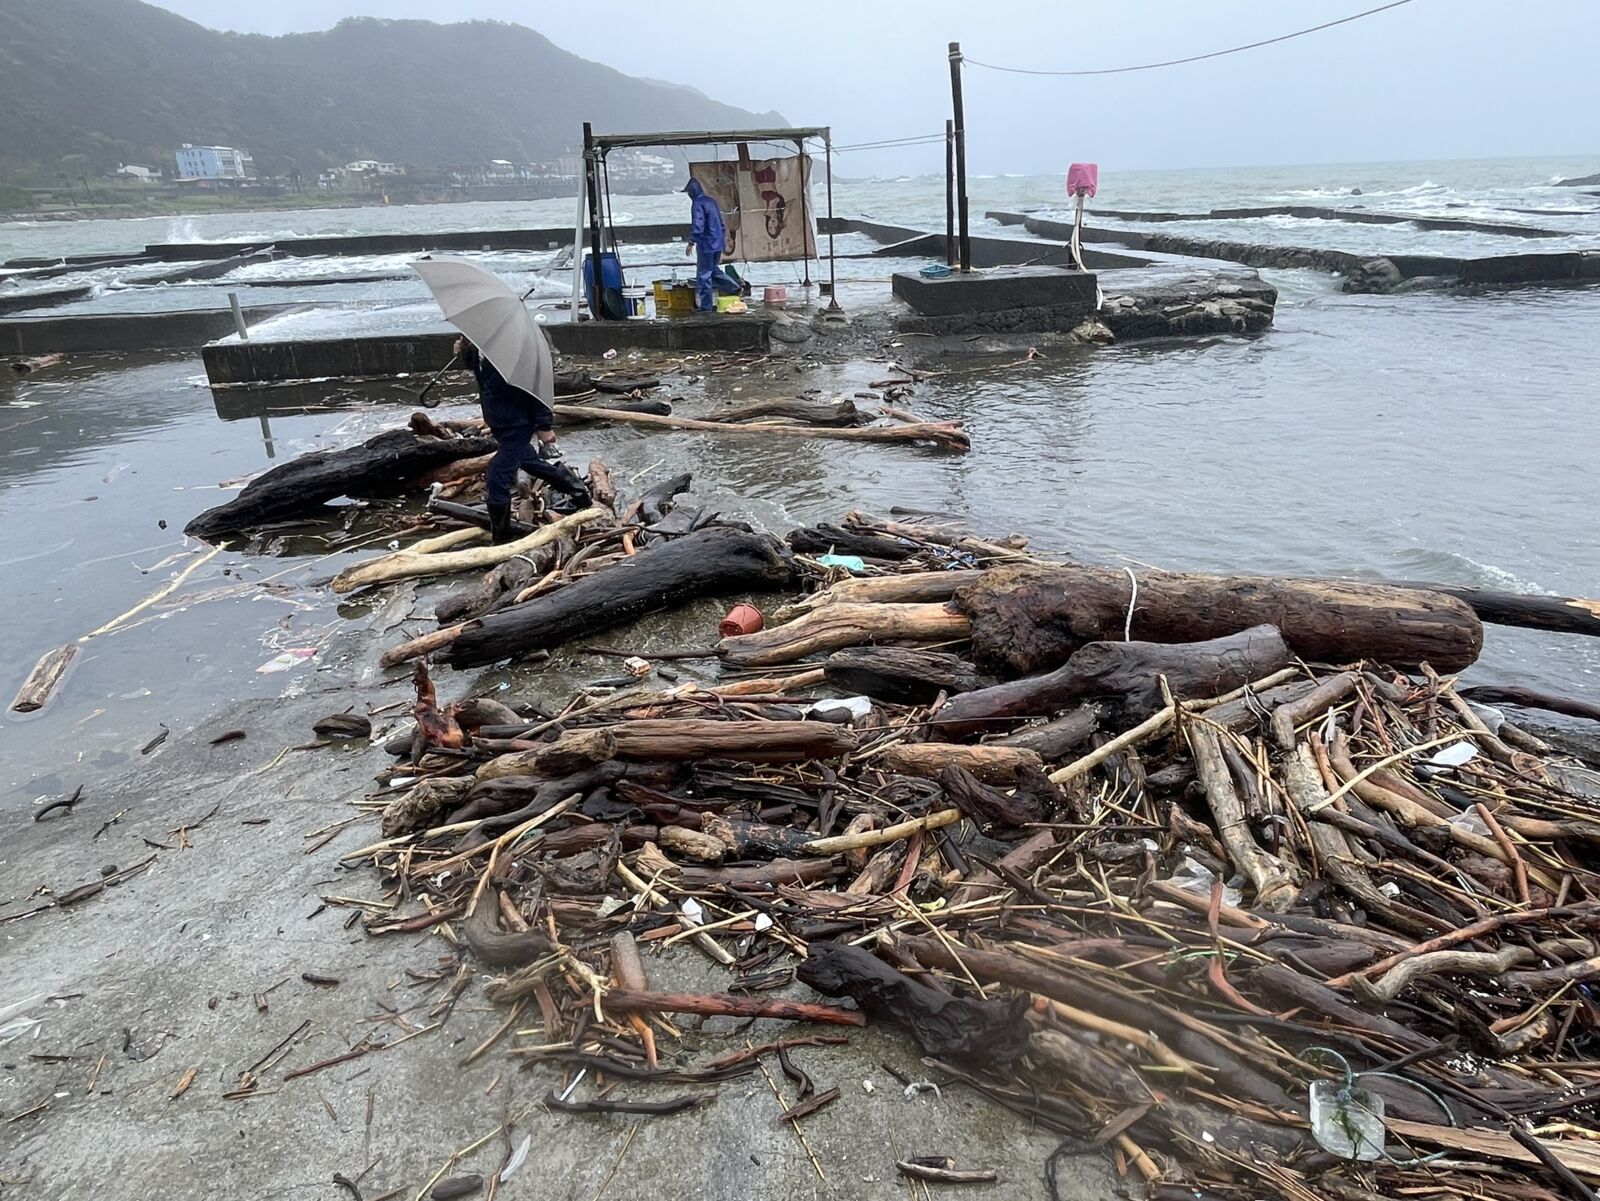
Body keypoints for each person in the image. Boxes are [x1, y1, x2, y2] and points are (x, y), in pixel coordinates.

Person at [456, 336, 589, 543]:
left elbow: (537, 390)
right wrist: (465, 351)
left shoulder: (512, 352)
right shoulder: (479, 348)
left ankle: (501, 538)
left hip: (518, 423)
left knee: (497, 476)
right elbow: (480, 372)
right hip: (499, 422)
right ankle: (579, 492)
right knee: (532, 463)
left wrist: (544, 427)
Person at [682, 178, 743, 311]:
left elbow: (698, 225)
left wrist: (691, 242)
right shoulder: (711, 201)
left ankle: (706, 307)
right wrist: (721, 239)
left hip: (706, 244)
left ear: (691, 192)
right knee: (713, 270)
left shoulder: (697, 204)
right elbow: (721, 223)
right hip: (717, 242)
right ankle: (734, 287)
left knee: (703, 275)